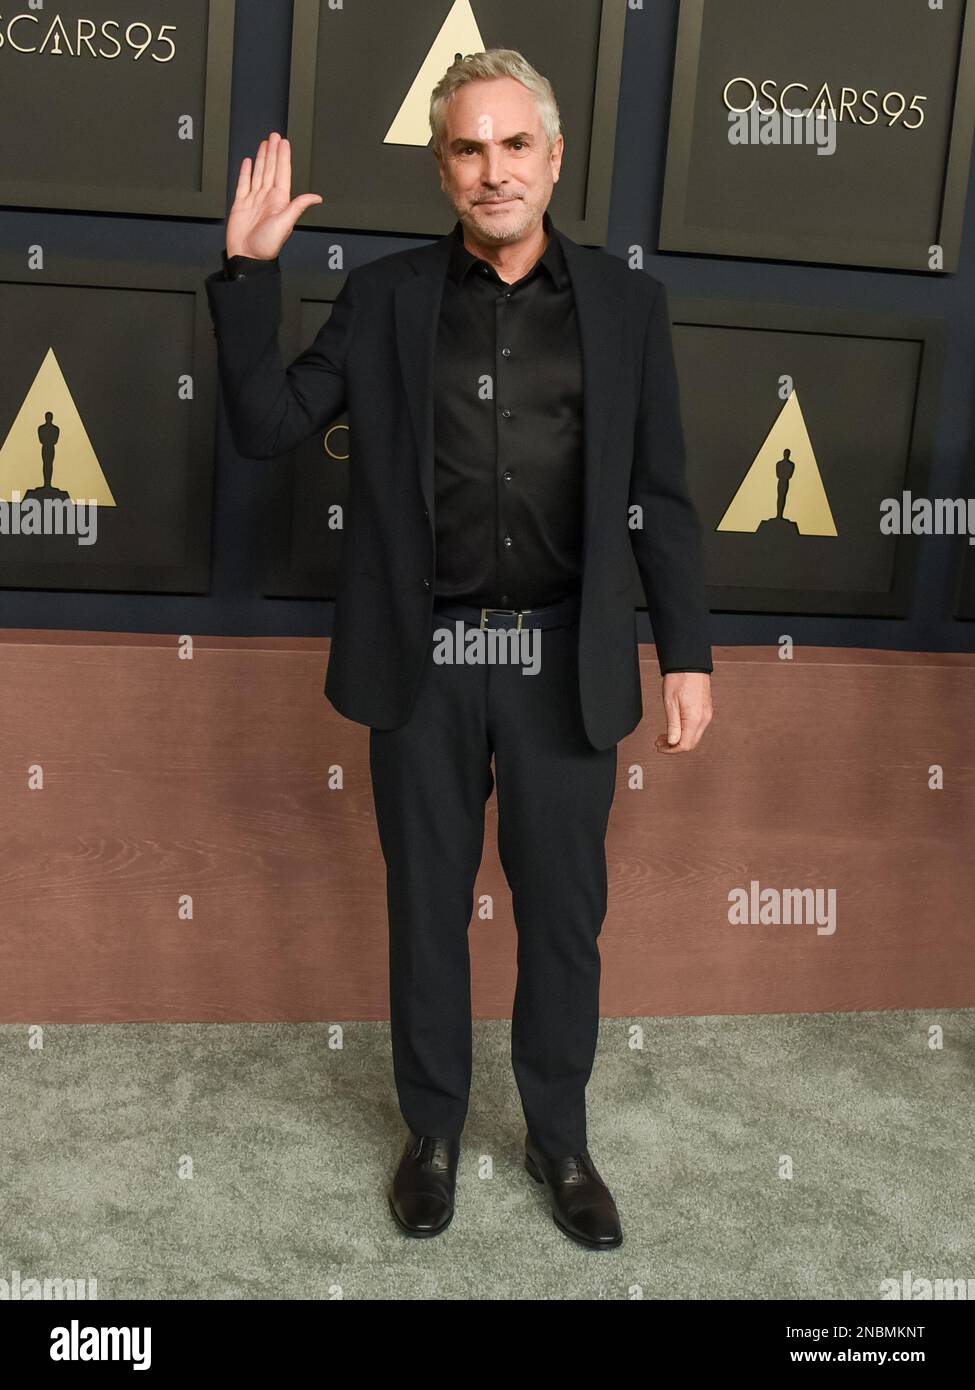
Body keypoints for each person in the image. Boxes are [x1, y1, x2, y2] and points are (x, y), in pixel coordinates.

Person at [205, 48, 713, 1252]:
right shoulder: (383, 299)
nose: (495, 170)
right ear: (442, 169)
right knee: (427, 909)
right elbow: (267, 424)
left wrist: (687, 654)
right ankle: (430, 1133)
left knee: (563, 918)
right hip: (422, 661)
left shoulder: (628, 307)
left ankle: (559, 1140)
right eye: (468, 149)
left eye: (514, 144)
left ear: (554, 156)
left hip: (564, 661)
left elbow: (662, 494)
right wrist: (250, 273)